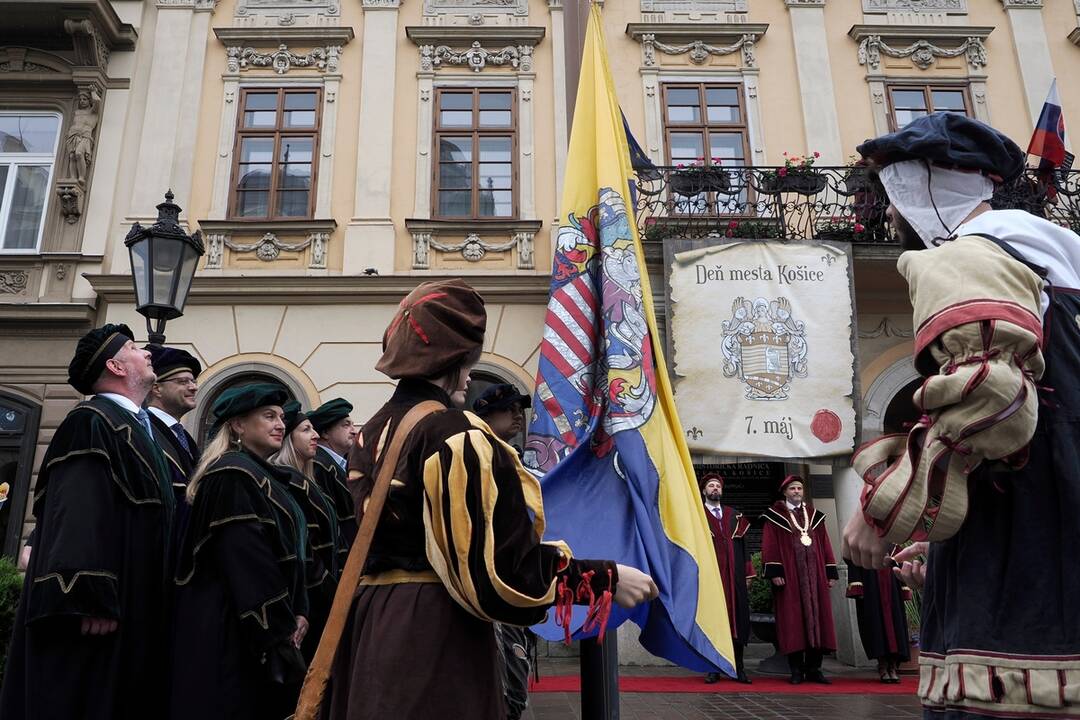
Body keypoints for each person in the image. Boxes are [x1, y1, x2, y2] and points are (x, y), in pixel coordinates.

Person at [328, 279, 659, 720]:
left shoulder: (369, 432)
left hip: (371, 626)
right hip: (433, 634)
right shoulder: (455, 433)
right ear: (457, 360)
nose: (469, 373)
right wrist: (607, 578)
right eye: (469, 360)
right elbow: (501, 574)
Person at [842, 112, 1080, 718]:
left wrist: (885, 511)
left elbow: (990, 398)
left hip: (1021, 551)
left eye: (890, 199)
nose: (889, 217)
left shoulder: (963, 258)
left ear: (918, 190)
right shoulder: (1055, 255)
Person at [0, 324, 175, 720]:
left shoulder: (133, 425)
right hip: (97, 614)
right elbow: (77, 510)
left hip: (134, 605)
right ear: (115, 365)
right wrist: (86, 596)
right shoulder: (92, 420)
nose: (147, 351)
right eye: (133, 348)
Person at [171, 384, 310, 720]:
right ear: (237, 425)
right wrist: (278, 627)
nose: (280, 424)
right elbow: (247, 560)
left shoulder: (261, 474)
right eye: (268, 416)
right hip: (232, 630)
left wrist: (300, 610)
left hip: (259, 625)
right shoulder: (232, 473)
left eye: (280, 417)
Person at [473, 383, 537, 719]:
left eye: (519, 408)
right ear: (485, 414)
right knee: (506, 688)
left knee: (515, 679)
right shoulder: (482, 458)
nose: (517, 415)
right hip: (494, 583)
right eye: (508, 408)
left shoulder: (509, 457)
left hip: (514, 582)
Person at [271, 399, 341, 663]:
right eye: (306, 430)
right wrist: (330, 589)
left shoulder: (307, 479)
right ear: (289, 438)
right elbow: (307, 547)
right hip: (310, 597)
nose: (315, 436)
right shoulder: (288, 480)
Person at [761, 475, 838, 685]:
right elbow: (769, 545)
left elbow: (826, 544)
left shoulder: (815, 516)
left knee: (819, 619)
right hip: (791, 577)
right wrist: (775, 572)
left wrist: (829, 572)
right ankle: (795, 670)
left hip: (816, 578)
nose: (796, 492)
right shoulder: (775, 517)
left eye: (799, 489)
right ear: (785, 492)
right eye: (792, 489)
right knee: (793, 622)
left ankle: (814, 669)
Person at [700, 473, 753, 685]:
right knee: (713, 621)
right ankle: (713, 669)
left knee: (738, 621)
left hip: (735, 577)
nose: (715, 489)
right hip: (711, 577)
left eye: (718, 486)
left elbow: (744, 547)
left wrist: (748, 572)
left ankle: (738, 668)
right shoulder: (697, 514)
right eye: (711, 486)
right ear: (704, 491)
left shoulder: (734, 516)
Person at [145, 345, 201, 508]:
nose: (193, 387)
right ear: (157, 388)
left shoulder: (184, 436)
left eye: (193, 381)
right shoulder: (144, 429)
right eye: (183, 382)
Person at [845, 554, 911, 683]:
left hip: (892, 583)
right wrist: (857, 585)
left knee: (895, 624)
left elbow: (900, 555)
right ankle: (882, 665)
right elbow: (852, 556)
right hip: (871, 582)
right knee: (876, 625)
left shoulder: (892, 535)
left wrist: (904, 584)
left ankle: (892, 666)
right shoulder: (861, 535)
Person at [308, 397, 359, 559]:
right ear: (324, 432)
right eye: (346, 425)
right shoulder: (319, 466)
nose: (354, 431)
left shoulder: (344, 463)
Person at [473, 382, 531, 451]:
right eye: (510, 409)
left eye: (520, 410)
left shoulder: (514, 457)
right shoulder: (472, 453)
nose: (519, 416)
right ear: (486, 416)